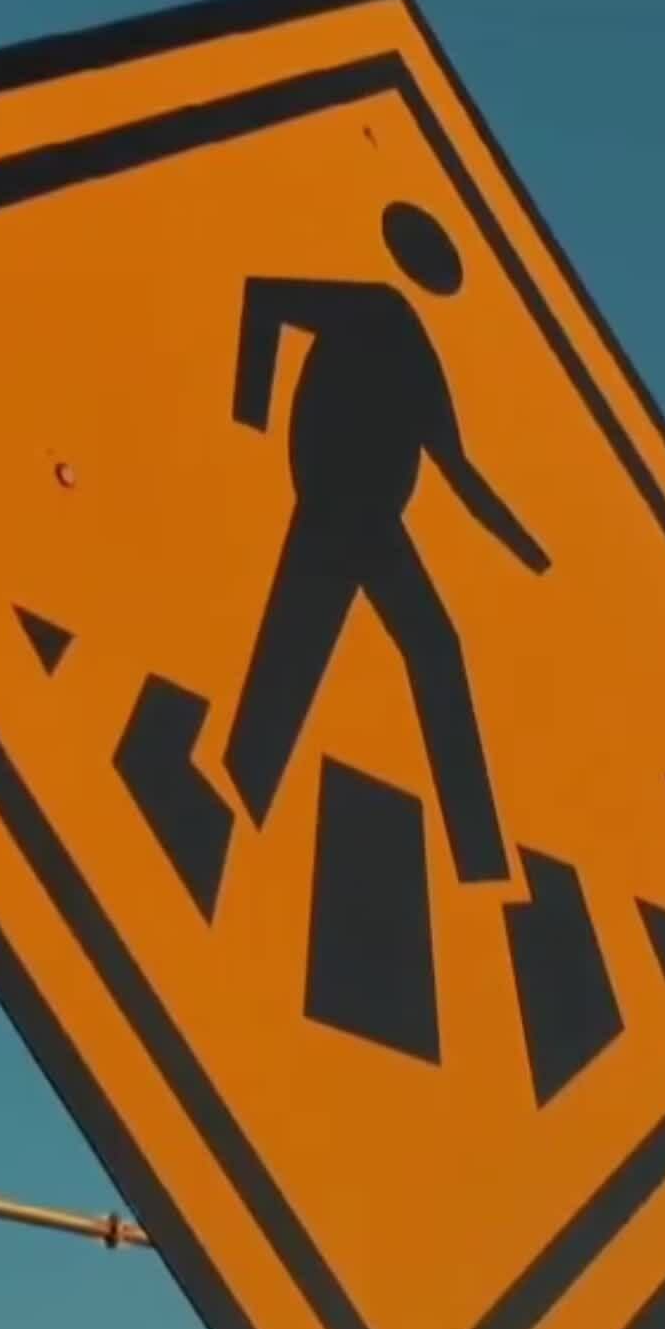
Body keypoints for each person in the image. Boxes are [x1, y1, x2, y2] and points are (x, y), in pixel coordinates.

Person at [222, 200, 548, 884]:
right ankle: (237, 800)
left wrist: (530, 553)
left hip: (373, 521)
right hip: (333, 503)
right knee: (298, 649)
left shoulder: (420, 355)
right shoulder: (376, 309)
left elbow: (457, 469)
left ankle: (480, 858)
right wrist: (248, 420)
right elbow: (266, 298)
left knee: (430, 645)